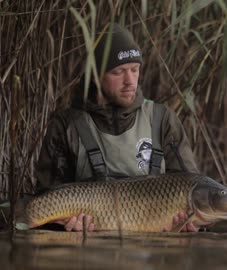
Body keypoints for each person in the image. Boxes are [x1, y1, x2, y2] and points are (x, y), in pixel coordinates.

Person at [35, 23, 200, 232]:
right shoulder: (67, 125)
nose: (130, 81)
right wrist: (64, 229)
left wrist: (188, 226)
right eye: (118, 71)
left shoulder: (162, 120)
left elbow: (190, 187)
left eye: (134, 70)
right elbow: (47, 200)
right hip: (88, 254)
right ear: (96, 75)